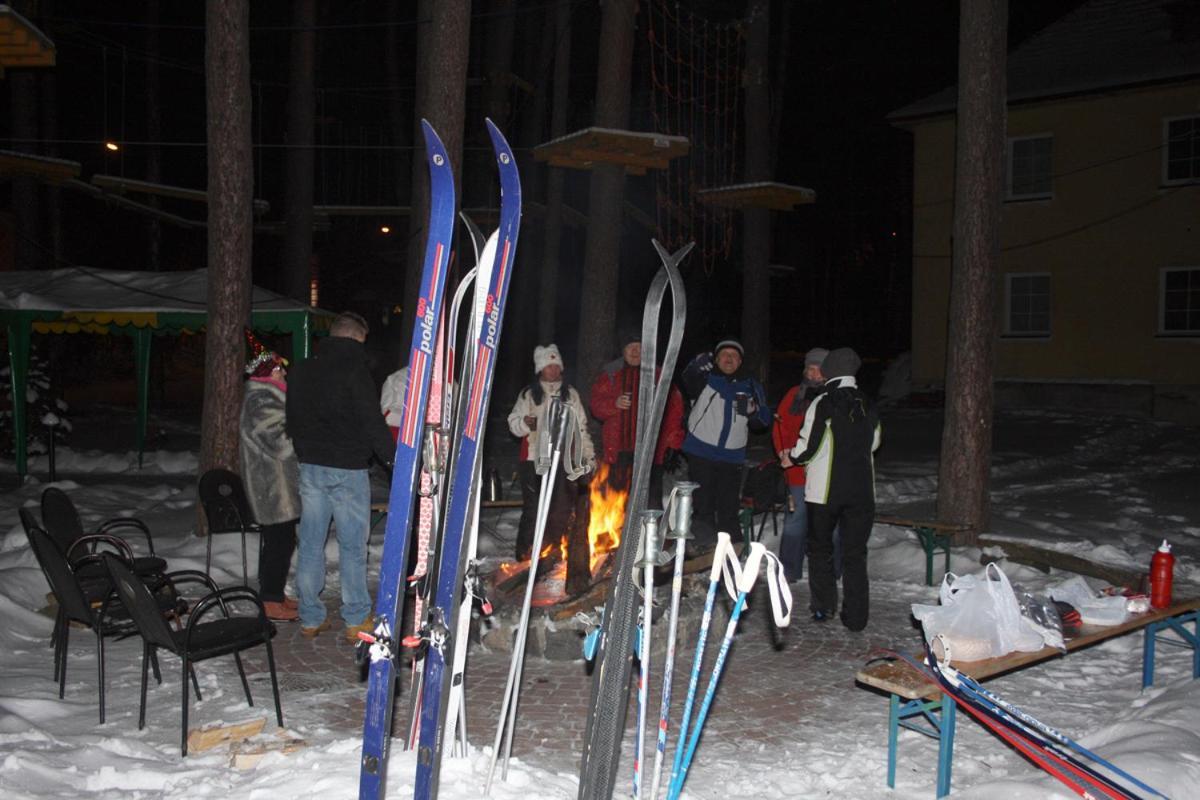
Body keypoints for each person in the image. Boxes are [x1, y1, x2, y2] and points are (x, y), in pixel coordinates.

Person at [286, 311, 395, 641]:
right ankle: (356, 618)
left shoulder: (302, 369)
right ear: (355, 337)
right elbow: (371, 420)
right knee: (351, 545)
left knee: (310, 542)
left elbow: (291, 417)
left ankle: (310, 617)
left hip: (312, 466)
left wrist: (306, 450)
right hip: (347, 469)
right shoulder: (355, 370)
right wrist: (393, 460)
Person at [786, 347, 881, 631]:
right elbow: (874, 443)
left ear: (828, 371)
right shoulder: (868, 402)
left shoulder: (823, 402)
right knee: (855, 553)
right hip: (862, 492)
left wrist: (790, 455)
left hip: (825, 492)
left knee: (819, 549)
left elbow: (807, 447)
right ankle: (856, 618)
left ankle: (823, 607)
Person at [507, 344, 596, 589]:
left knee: (561, 509)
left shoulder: (571, 395)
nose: (553, 370)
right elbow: (513, 422)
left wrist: (588, 458)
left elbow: (581, 429)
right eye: (548, 366)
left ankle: (551, 553)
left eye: (557, 365)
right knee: (534, 508)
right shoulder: (529, 395)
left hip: (564, 460)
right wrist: (525, 423)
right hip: (534, 459)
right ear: (540, 370)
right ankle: (525, 558)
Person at [680, 338, 771, 549]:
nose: (729, 359)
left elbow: (763, 421)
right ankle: (704, 551)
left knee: (728, 508)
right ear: (717, 359)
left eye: (734, 356)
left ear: (740, 361)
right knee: (703, 506)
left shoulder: (750, 385)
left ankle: (731, 553)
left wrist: (753, 412)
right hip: (701, 451)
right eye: (724, 355)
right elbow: (688, 377)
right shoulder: (706, 379)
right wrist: (696, 362)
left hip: (732, 456)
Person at [238, 331, 300, 622]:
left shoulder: (268, 397)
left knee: (279, 541)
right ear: (266, 372)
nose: (284, 371)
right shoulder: (261, 400)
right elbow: (279, 443)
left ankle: (272, 593)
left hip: (276, 485)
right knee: (279, 542)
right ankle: (270, 599)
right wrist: (301, 434)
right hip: (271, 487)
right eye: (279, 367)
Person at [589, 325, 684, 509]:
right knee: (616, 503)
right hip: (619, 452)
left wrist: (673, 444)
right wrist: (614, 405)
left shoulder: (659, 376)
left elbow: (674, 412)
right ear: (623, 350)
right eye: (630, 346)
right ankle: (620, 538)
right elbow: (595, 406)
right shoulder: (610, 375)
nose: (635, 351)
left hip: (651, 451)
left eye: (640, 347)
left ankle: (650, 538)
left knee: (650, 503)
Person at [772, 347, 828, 582]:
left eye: (818, 370)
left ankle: (828, 572)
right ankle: (789, 570)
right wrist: (783, 451)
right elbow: (780, 426)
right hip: (796, 471)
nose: (813, 374)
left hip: (825, 473)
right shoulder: (795, 394)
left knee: (827, 524)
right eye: (810, 369)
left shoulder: (832, 396)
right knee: (796, 520)